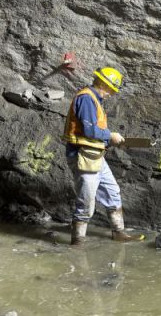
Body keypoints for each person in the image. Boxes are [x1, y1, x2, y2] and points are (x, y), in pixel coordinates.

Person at [62, 67, 143, 246]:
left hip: (95, 156)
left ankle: (118, 233)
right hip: (82, 156)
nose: (111, 94)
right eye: (111, 90)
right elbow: (90, 129)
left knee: (112, 192)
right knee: (86, 201)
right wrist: (110, 136)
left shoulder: (94, 100)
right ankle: (77, 243)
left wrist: (108, 139)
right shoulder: (86, 99)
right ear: (103, 84)